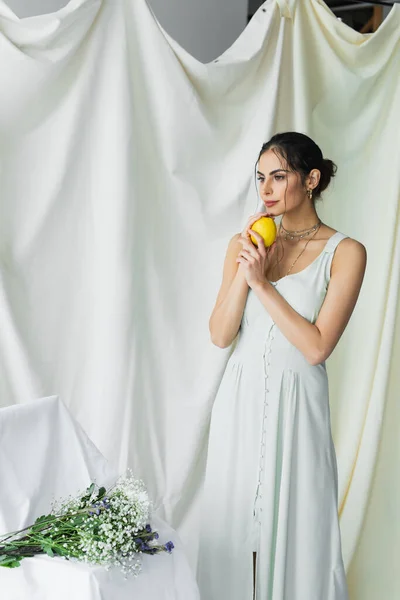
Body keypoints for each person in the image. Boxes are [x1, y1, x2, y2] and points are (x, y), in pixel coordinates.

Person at [196, 132, 367, 600]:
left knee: (298, 527)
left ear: (311, 180)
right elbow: (220, 334)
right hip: (241, 399)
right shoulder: (244, 243)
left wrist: (262, 284)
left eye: (279, 176)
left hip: (299, 407)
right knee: (233, 532)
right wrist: (247, 266)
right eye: (260, 178)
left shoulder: (346, 253)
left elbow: (316, 348)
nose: (266, 189)